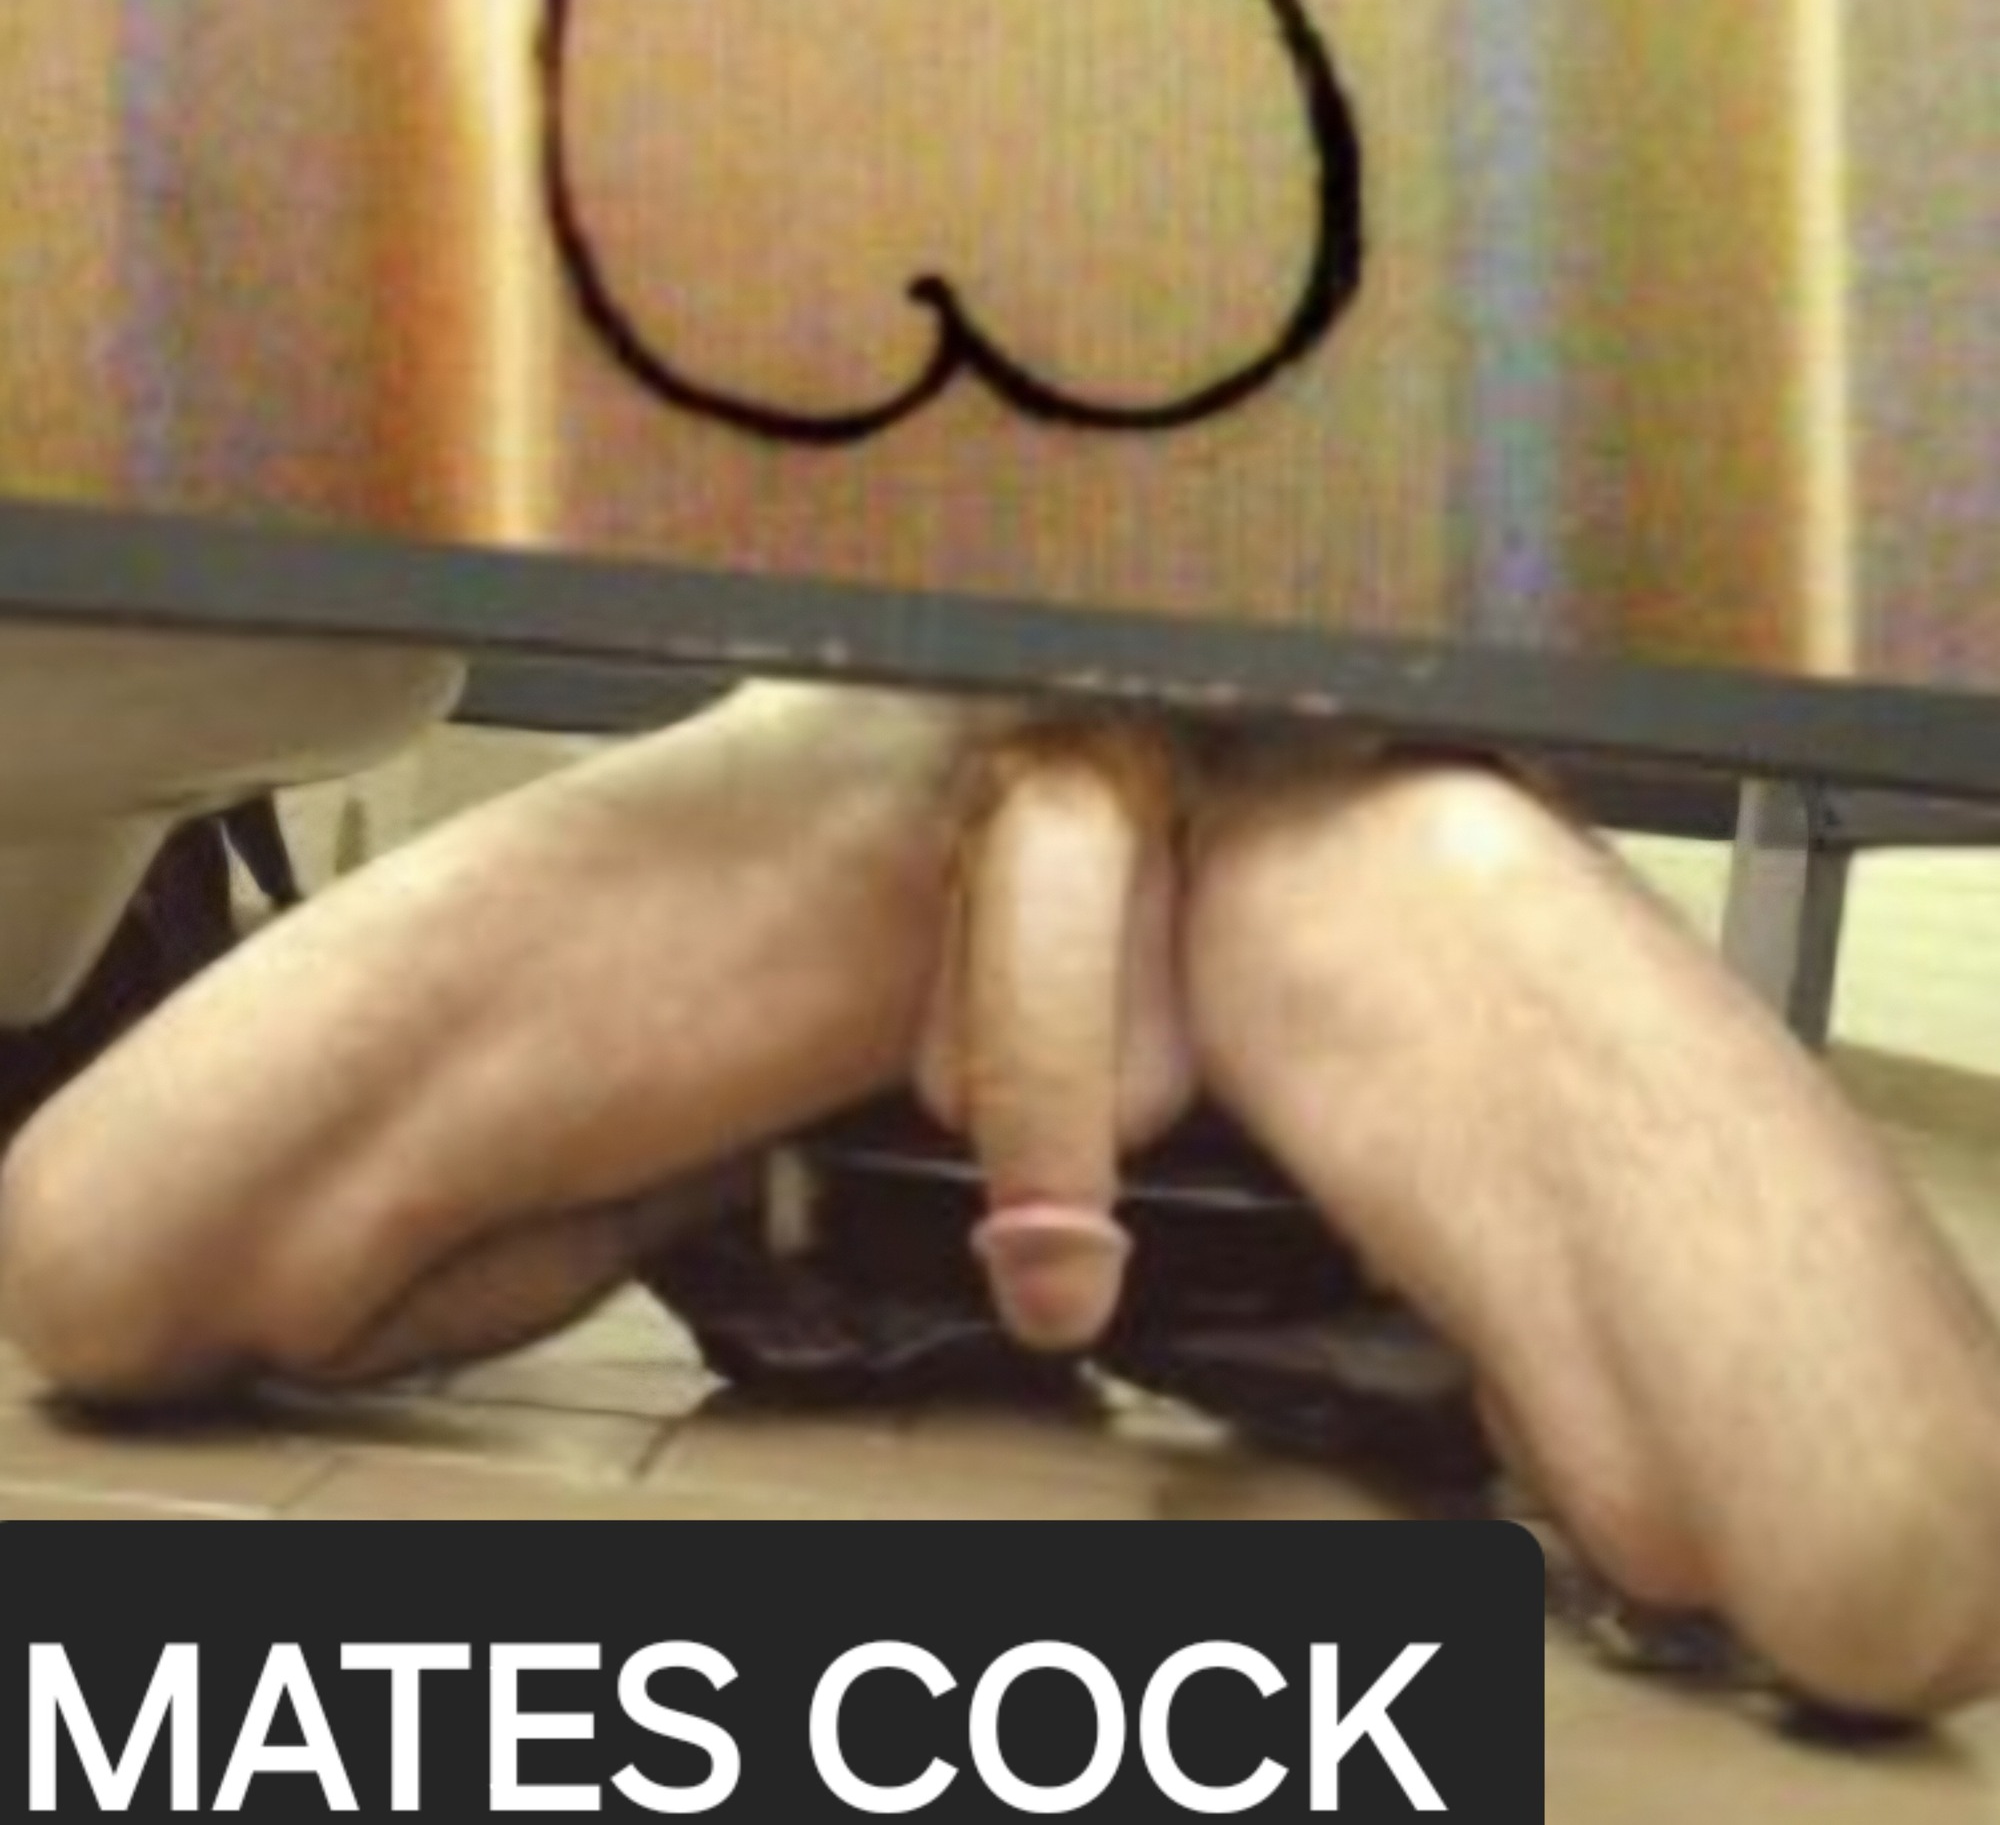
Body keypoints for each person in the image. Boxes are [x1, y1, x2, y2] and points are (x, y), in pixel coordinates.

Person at [2, 681, 1998, 1720]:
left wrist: (1319, 798)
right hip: (916, 755)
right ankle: (991, 757)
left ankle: (1245, 792)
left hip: (1336, 801)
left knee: (1898, 1556)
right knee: (95, 1257)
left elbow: (1909, 1571)